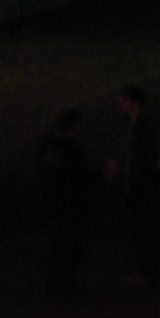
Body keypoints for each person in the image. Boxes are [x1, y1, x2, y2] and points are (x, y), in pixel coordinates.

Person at [114, 86, 160, 289]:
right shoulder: (134, 124)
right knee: (140, 229)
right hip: (139, 185)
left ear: (133, 102)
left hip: (142, 187)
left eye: (124, 101)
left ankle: (144, 272)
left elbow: (143, 158)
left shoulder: (142, 125)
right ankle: (144, 270)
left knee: (141, 229)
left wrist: (134, 183)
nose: (121, 105)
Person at [36, 110, 93, 295]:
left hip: (51, 202)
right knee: (68, 244)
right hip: (68, 204)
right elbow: (80, 179)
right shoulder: (72, 151)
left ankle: (53, 283)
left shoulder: (46, 146)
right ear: (74, 128)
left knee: (55, 244)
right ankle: (65, 283)